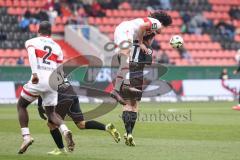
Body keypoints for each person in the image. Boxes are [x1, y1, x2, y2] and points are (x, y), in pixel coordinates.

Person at [17, 21, 74, 154]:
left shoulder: (31, 41)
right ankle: (65, 130)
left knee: (21, 105)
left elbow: (32, 56)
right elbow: (59, 70)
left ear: (38, 30)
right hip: (52, 81)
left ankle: (26, 137)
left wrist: (35, 73)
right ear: (51, 32)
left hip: (38, 78)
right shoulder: (57, 47)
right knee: (51, 113)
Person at [37, 79, 121, 155]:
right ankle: (107, 127)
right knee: (81, 124)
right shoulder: (56, 68)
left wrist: (39, 106)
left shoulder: (43, 71)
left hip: (62, 97)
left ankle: (61, 150)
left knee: (51, 124)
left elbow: (42, 89)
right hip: (72, 94)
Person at [111, 11, 172, 105]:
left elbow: (145, 38)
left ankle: (117, 90)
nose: (163, 30)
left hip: (123, 30)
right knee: (127, 59)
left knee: (126, 60)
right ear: (163, 24)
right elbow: (142, 27)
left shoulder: (152, 29)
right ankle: (124, 86)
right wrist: (140, 43)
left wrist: (145, 45)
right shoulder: (157, 23)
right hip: (126, 30)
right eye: (166, 28)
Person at [120, 33, 155, 146]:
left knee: (126, 105)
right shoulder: (147, 48)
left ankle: (128, 132)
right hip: (137, 76)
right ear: (148, 39)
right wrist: (148, 52)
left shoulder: (128, 45)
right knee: (134, 106)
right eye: (152, 39)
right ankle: (129, 134)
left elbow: (119, 56)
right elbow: (149, 62)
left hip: (124, 74)